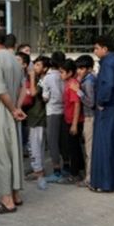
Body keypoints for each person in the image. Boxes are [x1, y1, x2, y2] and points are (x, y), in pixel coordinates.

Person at [0, 27, 26, 214]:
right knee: (13, 153)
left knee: (0, 155)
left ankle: (6, 200)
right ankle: (16, 194)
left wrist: (12, 108)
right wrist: (17, 108)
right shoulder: (14, 59)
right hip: (12, 112)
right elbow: (24, 87)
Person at [90, 36, 114, 193]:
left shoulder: (107, 64)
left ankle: (104, 183)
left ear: (105, 49)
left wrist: (101, 102)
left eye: (96, 48)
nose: (95, 51)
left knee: (104, 147)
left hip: (108, 110)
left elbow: (107, 85)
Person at [42, 52, 66, 182]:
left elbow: (45, 97)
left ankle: (57, 170)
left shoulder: (48, 78)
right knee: (64, 140)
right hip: (65, 111)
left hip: (52, 111)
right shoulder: (65, 74)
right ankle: (67, 166)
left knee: (52, 141)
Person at [60, 59, 85, 185]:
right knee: (75, 147)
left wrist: (74, 124)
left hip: (73, 121)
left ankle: (75, 174)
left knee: (73, 148)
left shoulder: (72, 84)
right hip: (69, 119)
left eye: (62, 72)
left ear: (70, 72)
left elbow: (77, 104)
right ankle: (79, 169)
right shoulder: (69, 82)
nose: (61, 75)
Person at [25, 56, 49, 183]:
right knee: (34, 144)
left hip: (38, 117)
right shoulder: (39, 79)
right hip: (34, 116)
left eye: (38, 65)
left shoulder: (42, 80)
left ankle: (38, 171)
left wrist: (33, 77)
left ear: (45, 68)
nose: (35, 67)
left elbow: (33, 93)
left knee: (36, 144)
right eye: (35, 64)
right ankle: (37, 167)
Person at [74, 55, 96, 187]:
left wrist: (78, 92)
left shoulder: (88, 82)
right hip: (90, 117)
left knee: (89, 149)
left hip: (90, 117)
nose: (79, 71)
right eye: (78, 68)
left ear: (88, 68)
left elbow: (90, 102)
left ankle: (89, 178)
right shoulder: (89, 79)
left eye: (82, 68)